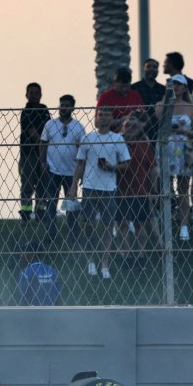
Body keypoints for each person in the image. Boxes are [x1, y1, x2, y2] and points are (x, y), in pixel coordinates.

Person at [69, 106, 130, 280]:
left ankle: (105, 264)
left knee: (107, 227)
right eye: (100, 115)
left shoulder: (117, 138)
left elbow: (126, 163)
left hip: (108, 189)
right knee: (88, 225)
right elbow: (80, 164)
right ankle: (90, 260)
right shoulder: (88, 138)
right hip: (89, 187)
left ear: (111, 119)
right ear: (96, 118)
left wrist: (112, 167)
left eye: (106, 115)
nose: (103, 118)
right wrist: (74, 187)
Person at [160, 74, 193, 241]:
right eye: (172, 84)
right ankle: (166, 223)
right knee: (165, 187)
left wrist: (186, 132)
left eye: (178, 84)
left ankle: (184, 226)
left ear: (185, 87)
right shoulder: (162, 105)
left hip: (183, 149)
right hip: (166, 148)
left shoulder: (191, 108)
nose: (175, 87)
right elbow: (159, 119)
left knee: (183, 189)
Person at [39, 94, 86, 237]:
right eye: (61, 105)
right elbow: (43, 144)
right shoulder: (50, 124)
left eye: (66, 106)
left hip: (71, 171)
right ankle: (50, 232)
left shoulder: (78, 127)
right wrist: (42, 162)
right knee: (51, 201)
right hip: (52, 170)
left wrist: (81, 170)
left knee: (71, 202)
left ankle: (73, 231)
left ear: (72, 108)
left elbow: (82, 150)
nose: (63, 108)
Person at [117, 113, 159, 259]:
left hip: (140, 190)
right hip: (120, 191)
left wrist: (153, 190)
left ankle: (141, 254)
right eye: (127, 125)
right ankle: (126, 254)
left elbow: (152, 169)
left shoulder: (144, 145)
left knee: (140, 223)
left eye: (134, 126)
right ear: (122, 128)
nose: (131, 128)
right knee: (122, 224)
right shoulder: (117, 143)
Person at [19, 82, 48, 221]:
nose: (34, 96)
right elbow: (32, 132)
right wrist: (43, 143)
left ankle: (41, 213)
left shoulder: (44, 109)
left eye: (37, 93)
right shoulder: (26, 112)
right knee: (28, 185)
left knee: (43, 185)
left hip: (43, 154)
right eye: (31, 93)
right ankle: (26, 214)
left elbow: (48, 127)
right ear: (26, 95)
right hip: (28, 154)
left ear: (41, 95)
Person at [96, 67, 144, 132]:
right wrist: (120, 121)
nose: (124, 89)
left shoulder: (135, 95)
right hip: (112, 137)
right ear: (115, 83)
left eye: (127, 86)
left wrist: (133, 122)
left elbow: (144, 119)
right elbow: (97, 123)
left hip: (132, 136)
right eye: (121, 86)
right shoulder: (105, 97)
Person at [16, 242, 62, 306]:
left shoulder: (25, 273)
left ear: (30, 254)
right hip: (52, 313)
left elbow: (22, 299)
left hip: (32, 314)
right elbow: (58, 299)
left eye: (23, 252)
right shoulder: (53, 271)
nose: (20, 255)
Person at [131, 58, 166, 141]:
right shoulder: (134, 88)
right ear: (143, 69)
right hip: (139, 128)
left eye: (154, 67)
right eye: (148, 66)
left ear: (158, 70)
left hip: (159, 128)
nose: (151, 69)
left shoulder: (163, 89)